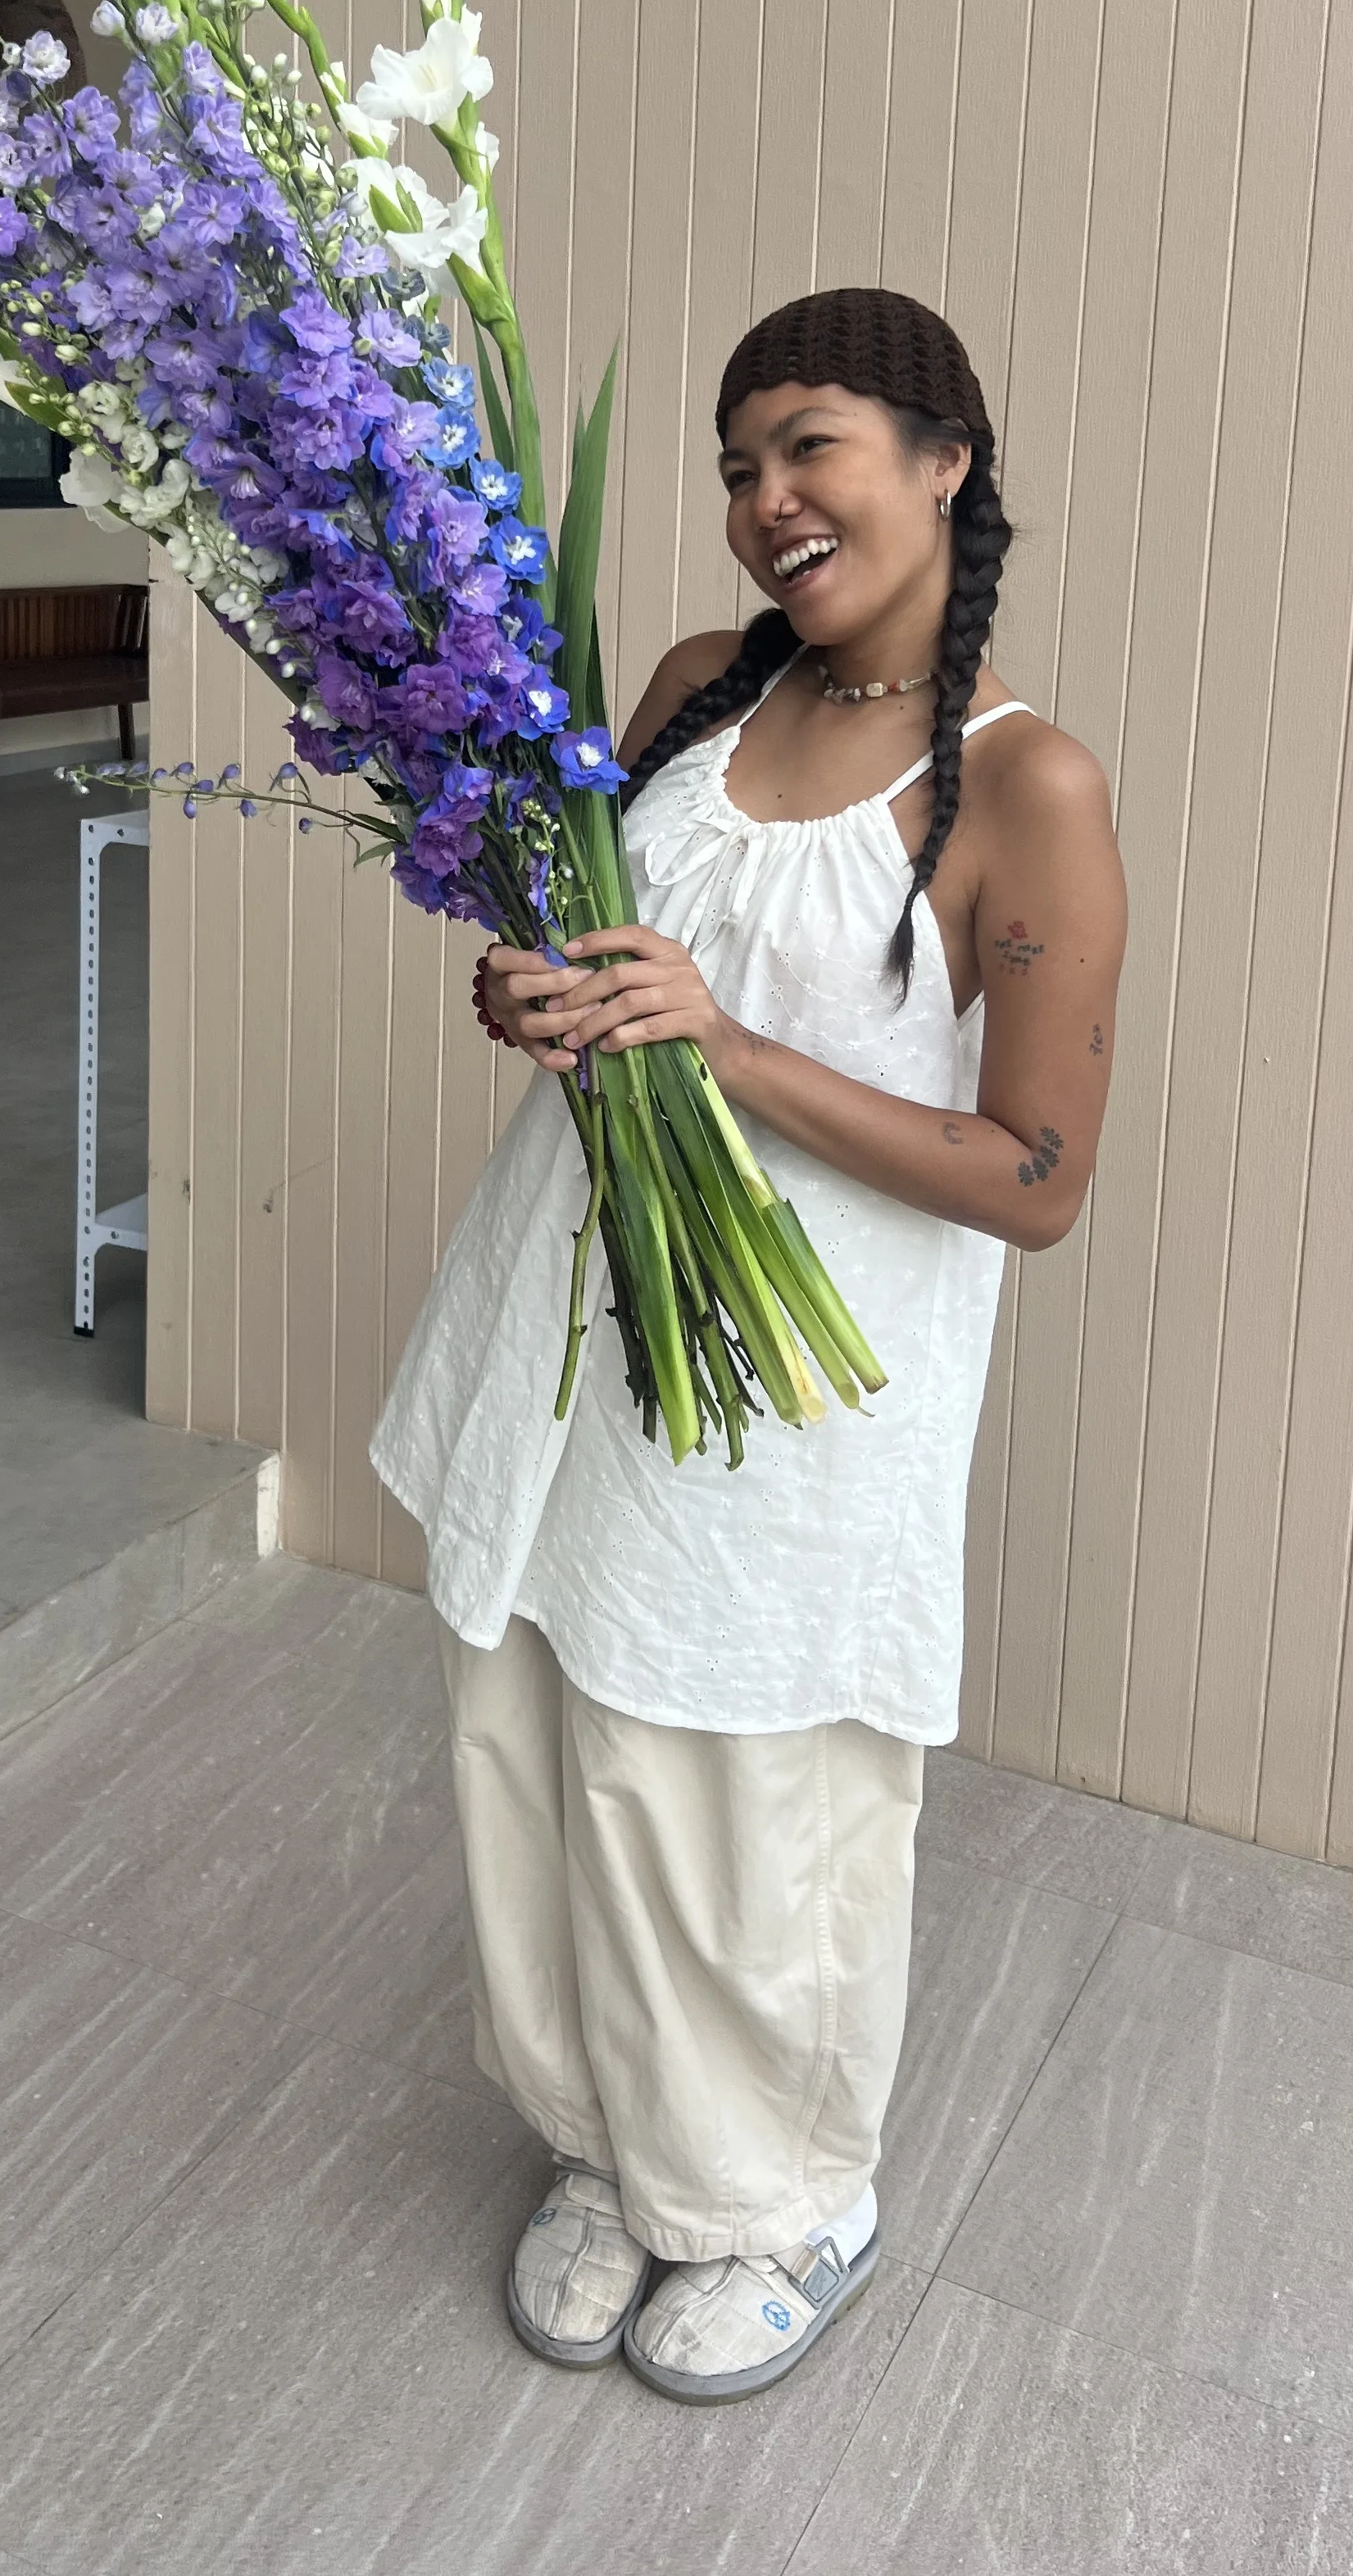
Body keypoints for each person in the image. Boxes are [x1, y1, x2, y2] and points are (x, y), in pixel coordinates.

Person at [370, 284, 1127, 2403]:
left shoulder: (1025, 783)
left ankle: (788, 2194)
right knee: (544, 1755)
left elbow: (1037, 1172)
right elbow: (596, 962)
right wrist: (540, 1000)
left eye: (809, 446)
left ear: (945, 459)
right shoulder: (703, 688)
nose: (764, 502)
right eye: (731, 467)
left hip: (798, 1396)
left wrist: (725, 1047)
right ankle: (616, 2148)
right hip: (566, 1322)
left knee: (744, 1805)